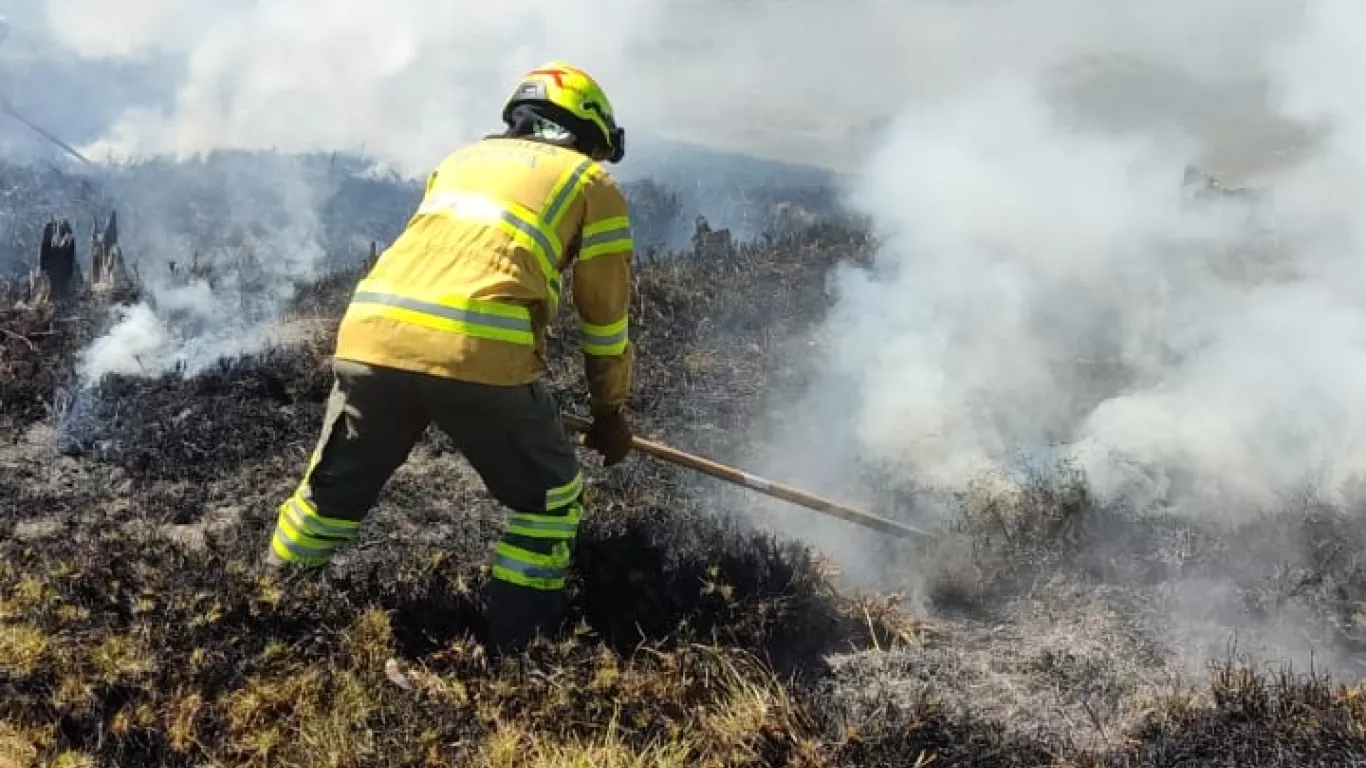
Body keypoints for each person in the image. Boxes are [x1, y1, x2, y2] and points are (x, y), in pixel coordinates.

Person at [263, 61, 637, 654]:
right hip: (478, 352)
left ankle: (261, 614)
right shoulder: (593, 185)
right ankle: (522, 658)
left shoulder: (460, 161)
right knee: (550, 502)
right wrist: (610, 411)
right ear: (587, 132)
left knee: (328, 497)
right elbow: (605, 320)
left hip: (370, 338)